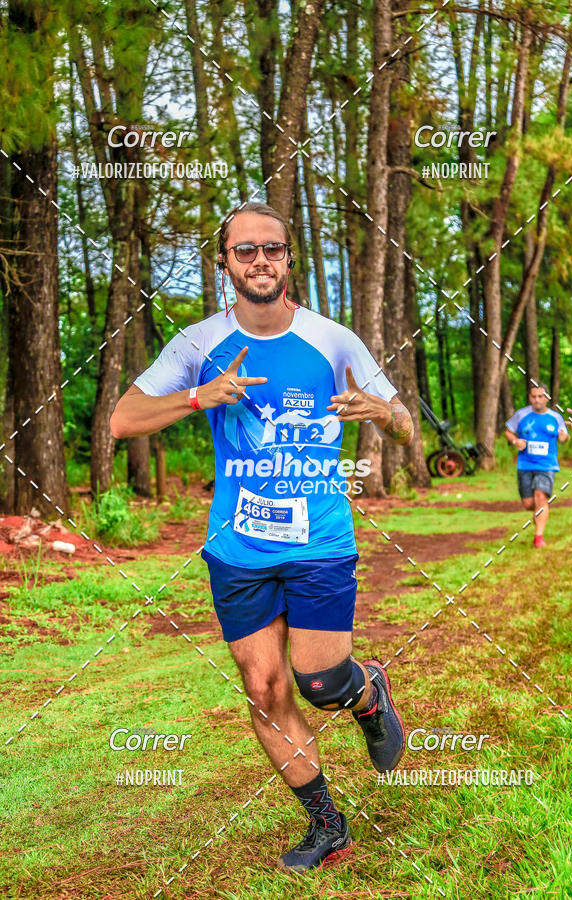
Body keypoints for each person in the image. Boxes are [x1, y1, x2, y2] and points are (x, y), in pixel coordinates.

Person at [110, 201, 414, 873]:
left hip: (319, 541)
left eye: (271, 249)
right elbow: (123, 419)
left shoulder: (333, 340)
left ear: (288, 257)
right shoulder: (197, 344)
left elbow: (405, 425)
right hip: (237, 549)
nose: (259, 261)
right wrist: (198, 398)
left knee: (318, 678)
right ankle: (327, 824)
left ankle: (366, 693)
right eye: (244, 251)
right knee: (263, 689)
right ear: (224, 264)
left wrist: (384, 415)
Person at [505, 385, 568, 548]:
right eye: (533, 396)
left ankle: (538, 536)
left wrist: (563, 436)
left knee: (540, 496)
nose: (537, 400)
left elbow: (563, 436)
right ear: (530, 397)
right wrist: (515, 441)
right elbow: (508, 432)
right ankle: (541, 510)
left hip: (547, 464)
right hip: (525, 464)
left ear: (547, 398)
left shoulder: (556, 417)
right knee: (528, 503)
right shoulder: (521, 415)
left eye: (540, 396)